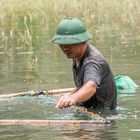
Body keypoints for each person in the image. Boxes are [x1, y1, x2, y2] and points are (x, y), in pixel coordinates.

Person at [52, 17, 117, 110]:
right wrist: (70, 95)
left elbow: (91, 86)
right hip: (88, 109)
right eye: (62, 44)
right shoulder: (77, 54)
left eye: (70, 43)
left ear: (83, 41)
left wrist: (72, 98)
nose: (65, 48)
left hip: (103, 116)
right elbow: (84, 85)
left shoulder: (92, 61)